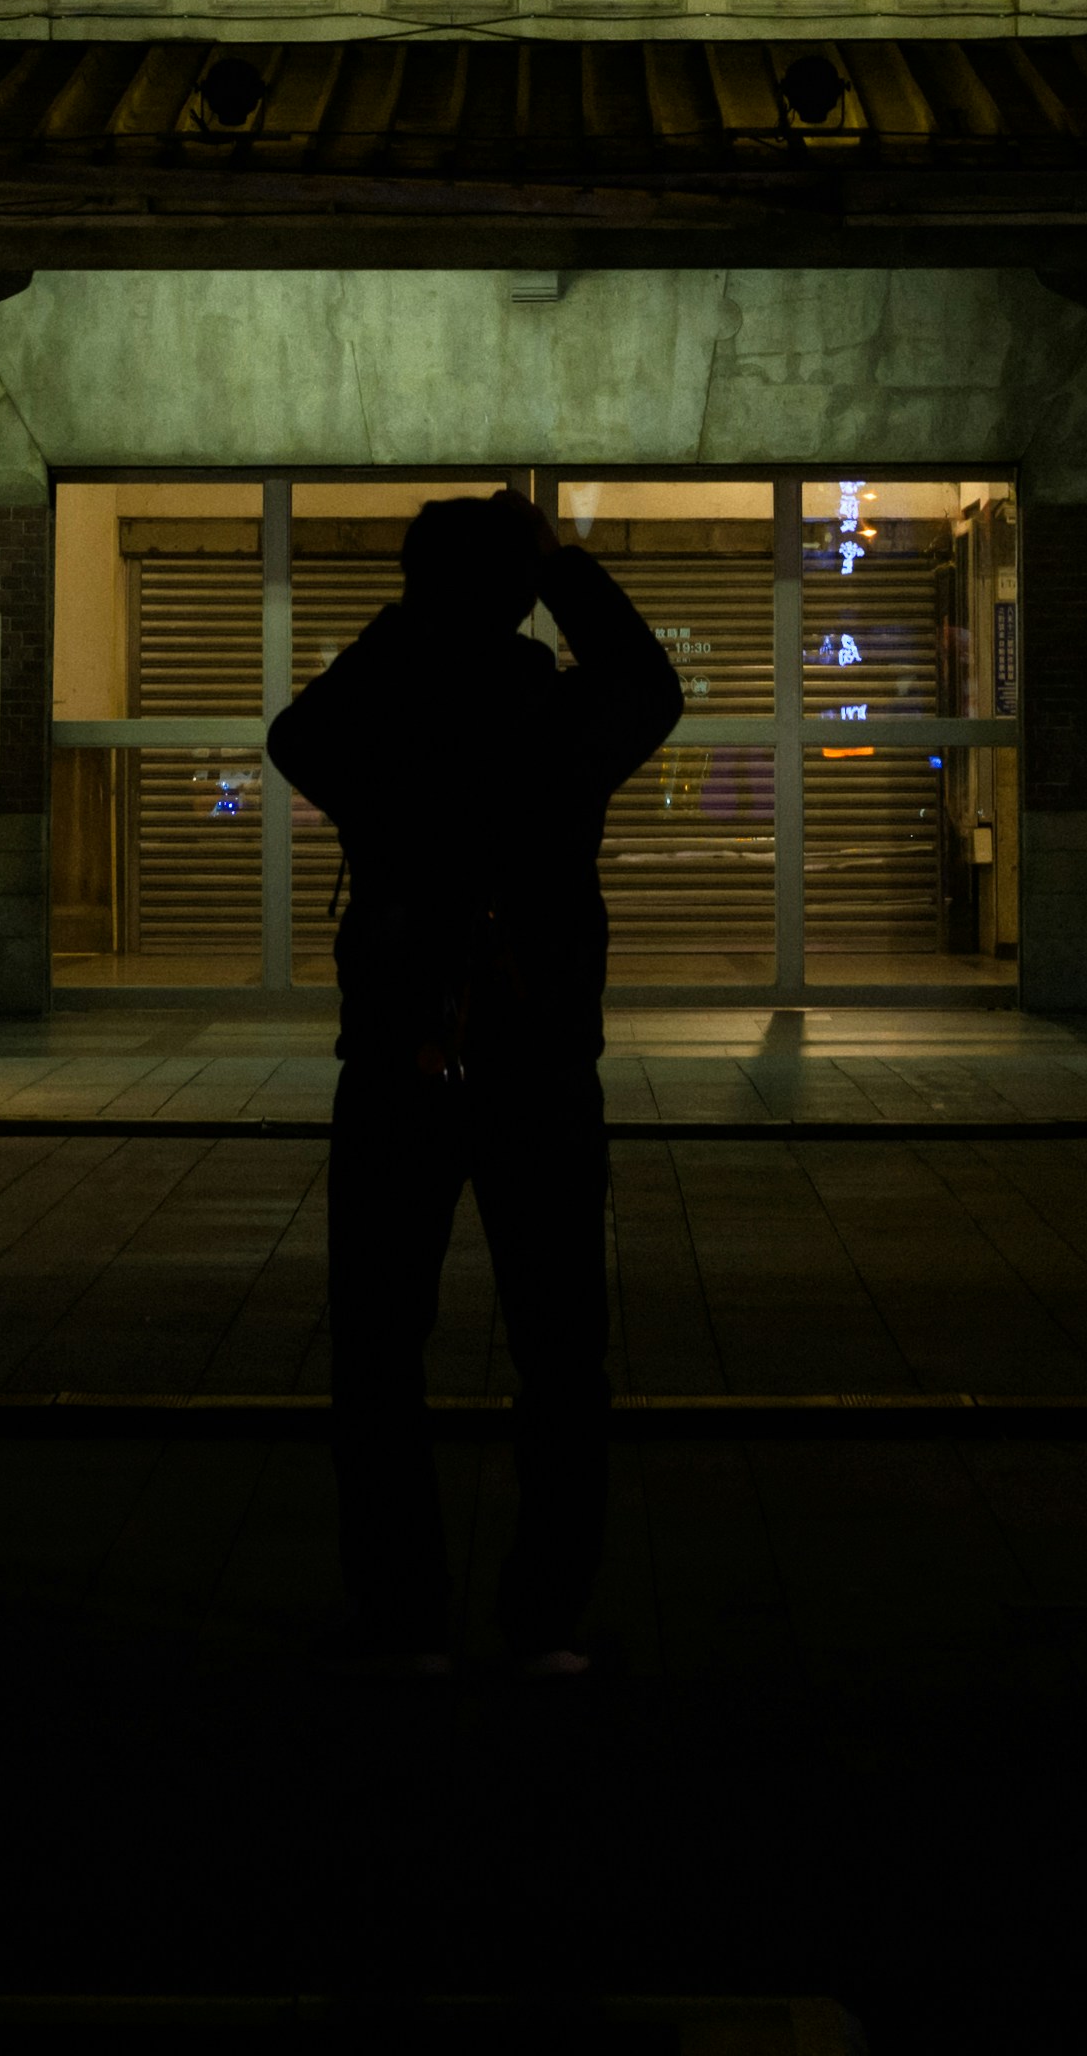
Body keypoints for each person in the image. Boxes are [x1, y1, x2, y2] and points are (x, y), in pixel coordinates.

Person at [264, 487, 678, 1673]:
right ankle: (540, 1618)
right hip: (540, 1060)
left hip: (398, 1057)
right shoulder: (557, 712)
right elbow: (652, 684)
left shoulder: (383, 710)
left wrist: (412, 622)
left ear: (415, 588)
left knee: (378, 1350)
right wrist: (562, 571)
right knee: (560, 1353)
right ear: (519, 591)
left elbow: (299, 734)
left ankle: (401, 1614)